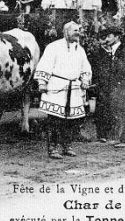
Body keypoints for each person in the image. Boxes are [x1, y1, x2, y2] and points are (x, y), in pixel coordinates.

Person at [35, 21, 92, 159]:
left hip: (74, 89)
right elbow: (45, 65)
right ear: (66, 32)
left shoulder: (80, 49)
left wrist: (85, 80)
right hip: (57, 87)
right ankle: (53, 149)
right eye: (74, 31)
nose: (77, 33)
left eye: (78, 30)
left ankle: (67, 146)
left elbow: (86, 67)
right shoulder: (53, 47)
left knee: (71, 120)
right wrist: (42, 82)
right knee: (55, 120)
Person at [97, 27, 125, 148]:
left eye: (110, 36)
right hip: (115, 86)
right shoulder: (113, 51)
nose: (107, 39)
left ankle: (124, 140)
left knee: (123, 112)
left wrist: (122, 82)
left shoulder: (124, 50)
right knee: (117, 112)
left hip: (123, 86)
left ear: (116, 37)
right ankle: (119, 138)